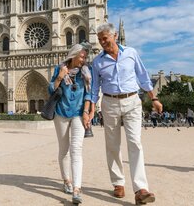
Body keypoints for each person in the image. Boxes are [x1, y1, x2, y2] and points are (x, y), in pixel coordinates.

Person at [91, 23, 162, 205]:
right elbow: (94, 88)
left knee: (135, 143)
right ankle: (118, 182)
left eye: (104, 38)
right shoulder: (97, 61)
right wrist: (90, 108)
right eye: (99, 40)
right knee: (112, 145)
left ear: (115, 36)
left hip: (132, 100)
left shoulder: (131, 53)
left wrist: (153, 98)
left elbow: (143, 76)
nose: (102, 42)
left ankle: (140, 188)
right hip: (109, 102)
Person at [48, 43, 93, 204]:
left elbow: (89, 93)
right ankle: (66, 180)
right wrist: (60, 76)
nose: (84, 59)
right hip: (61, 113)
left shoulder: (86, 72)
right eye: (82, 56)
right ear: (73, 55)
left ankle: (77, 189)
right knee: (64, 149)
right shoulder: (59, 68)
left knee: (76, 149)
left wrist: (87, 112)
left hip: (79, 114)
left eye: (85, 57)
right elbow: (51, 89)